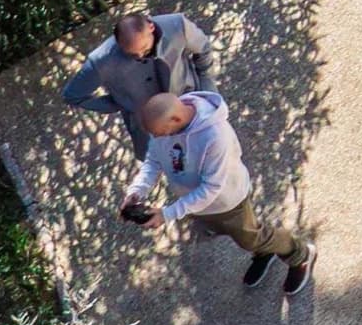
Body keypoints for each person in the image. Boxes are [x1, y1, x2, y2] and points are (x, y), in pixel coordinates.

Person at [124, 90, 314, 296]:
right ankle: (265, 253)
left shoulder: (215, 137)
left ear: (176, 119)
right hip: (195, 204)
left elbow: (211, 188)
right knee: (234, 234)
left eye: (162, 133)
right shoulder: (162, 127)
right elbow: (153, 160)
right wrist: (138, 190)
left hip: (228, 203)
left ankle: (299, 254)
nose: (159, 137)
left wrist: (167, 214)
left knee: (250, 237)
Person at [57, 9, 212, 145]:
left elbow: (203, 48)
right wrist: (122, 103)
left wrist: (205, 80)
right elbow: (73, 96)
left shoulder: (177, 26)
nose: (139, 56)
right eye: (131, 54)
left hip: (190, 106)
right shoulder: (101, 61)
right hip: (151, 133)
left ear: (151, 27)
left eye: (144, 49)